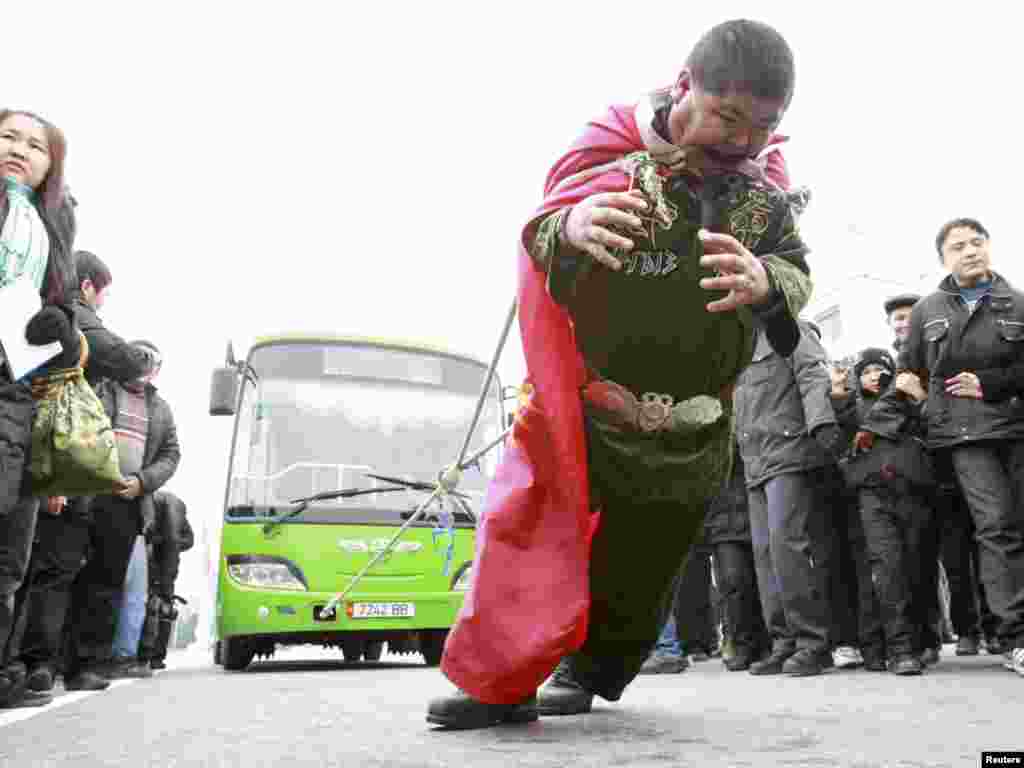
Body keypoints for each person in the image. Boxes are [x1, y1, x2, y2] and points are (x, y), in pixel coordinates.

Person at [428, 19, 813, 729]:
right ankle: (499, 682)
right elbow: (544, 227)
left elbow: (796, 267)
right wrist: (571, 227)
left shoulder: (765, 194)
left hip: (693, 425)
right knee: (528, 536)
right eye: (729, 118)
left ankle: (589, 669)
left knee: (641, 566)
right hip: (584, 407)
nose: (744, 142)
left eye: (764, 126)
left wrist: (767, 279)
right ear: (684, 85)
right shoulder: (608, 145)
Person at [14, 252, 158, 694]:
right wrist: (137, 356)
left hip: (65, 462)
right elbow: (124, 356)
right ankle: (48, 664)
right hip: (63, 458)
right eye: (104, 294)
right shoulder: (74, 312)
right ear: (90, 286)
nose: (102, 304)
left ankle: (52, 664)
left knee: (66, 571)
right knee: (59, 570)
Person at [898, 217, 1024, 678]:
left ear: (989, 247)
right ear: (944, 259)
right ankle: (1015, 637)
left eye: (977, 242)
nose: (970, 251)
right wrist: (921, 400)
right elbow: (908, 371)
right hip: (962, 436)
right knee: (997, 527)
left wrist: (989, 383)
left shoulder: (1018, 303)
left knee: (1008, 530)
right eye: (958, 246)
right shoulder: (928, 310)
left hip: (1014, 425)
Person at [0, 109, 78, 709]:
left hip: (21, 400)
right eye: (8, 137)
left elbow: (71, 341)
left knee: (9, 558)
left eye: (36, 145)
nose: (21, 150)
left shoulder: (51, 232)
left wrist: (62, 334)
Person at [65, 340, 180, 682]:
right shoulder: (102, 390)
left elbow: (171, 454)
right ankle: (75, 663)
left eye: (153, 361)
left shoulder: (160, 408)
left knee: (109, 584)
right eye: (141, 358)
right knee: (83, 580)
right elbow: (82, 433)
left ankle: (94, 662)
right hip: (91, 495)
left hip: (129, 503)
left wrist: (143, 482)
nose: (147, 367)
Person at [734, 321, 842, 676]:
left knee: (787, 546)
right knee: (765, 554)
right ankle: (783, 642)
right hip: (754, 460)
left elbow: (813, 373)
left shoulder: (789, 328)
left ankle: (813, 643)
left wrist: (821, 422)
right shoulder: (735, 340)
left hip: (789, 451)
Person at [836, 347, 936, 675]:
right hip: (872, 496)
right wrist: (838, 397)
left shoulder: (908, 402)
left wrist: (919, 396)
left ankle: (922, 642)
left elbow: (937, 426)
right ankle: (900, 648)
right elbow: (837, 439)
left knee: (918, 568)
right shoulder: (850, 408)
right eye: (865, 371)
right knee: (887, 568)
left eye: (880, 370)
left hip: (913, 492)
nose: (873, 376)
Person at [138, 491, 193, 670]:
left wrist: (159, 541)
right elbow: (188, 540)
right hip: (159, 561)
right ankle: (154, 656)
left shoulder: (168, 507)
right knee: (162, 606)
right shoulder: (166, 505)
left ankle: (151, 654)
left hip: (161, 561)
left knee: (159, 605)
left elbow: (185, 540)